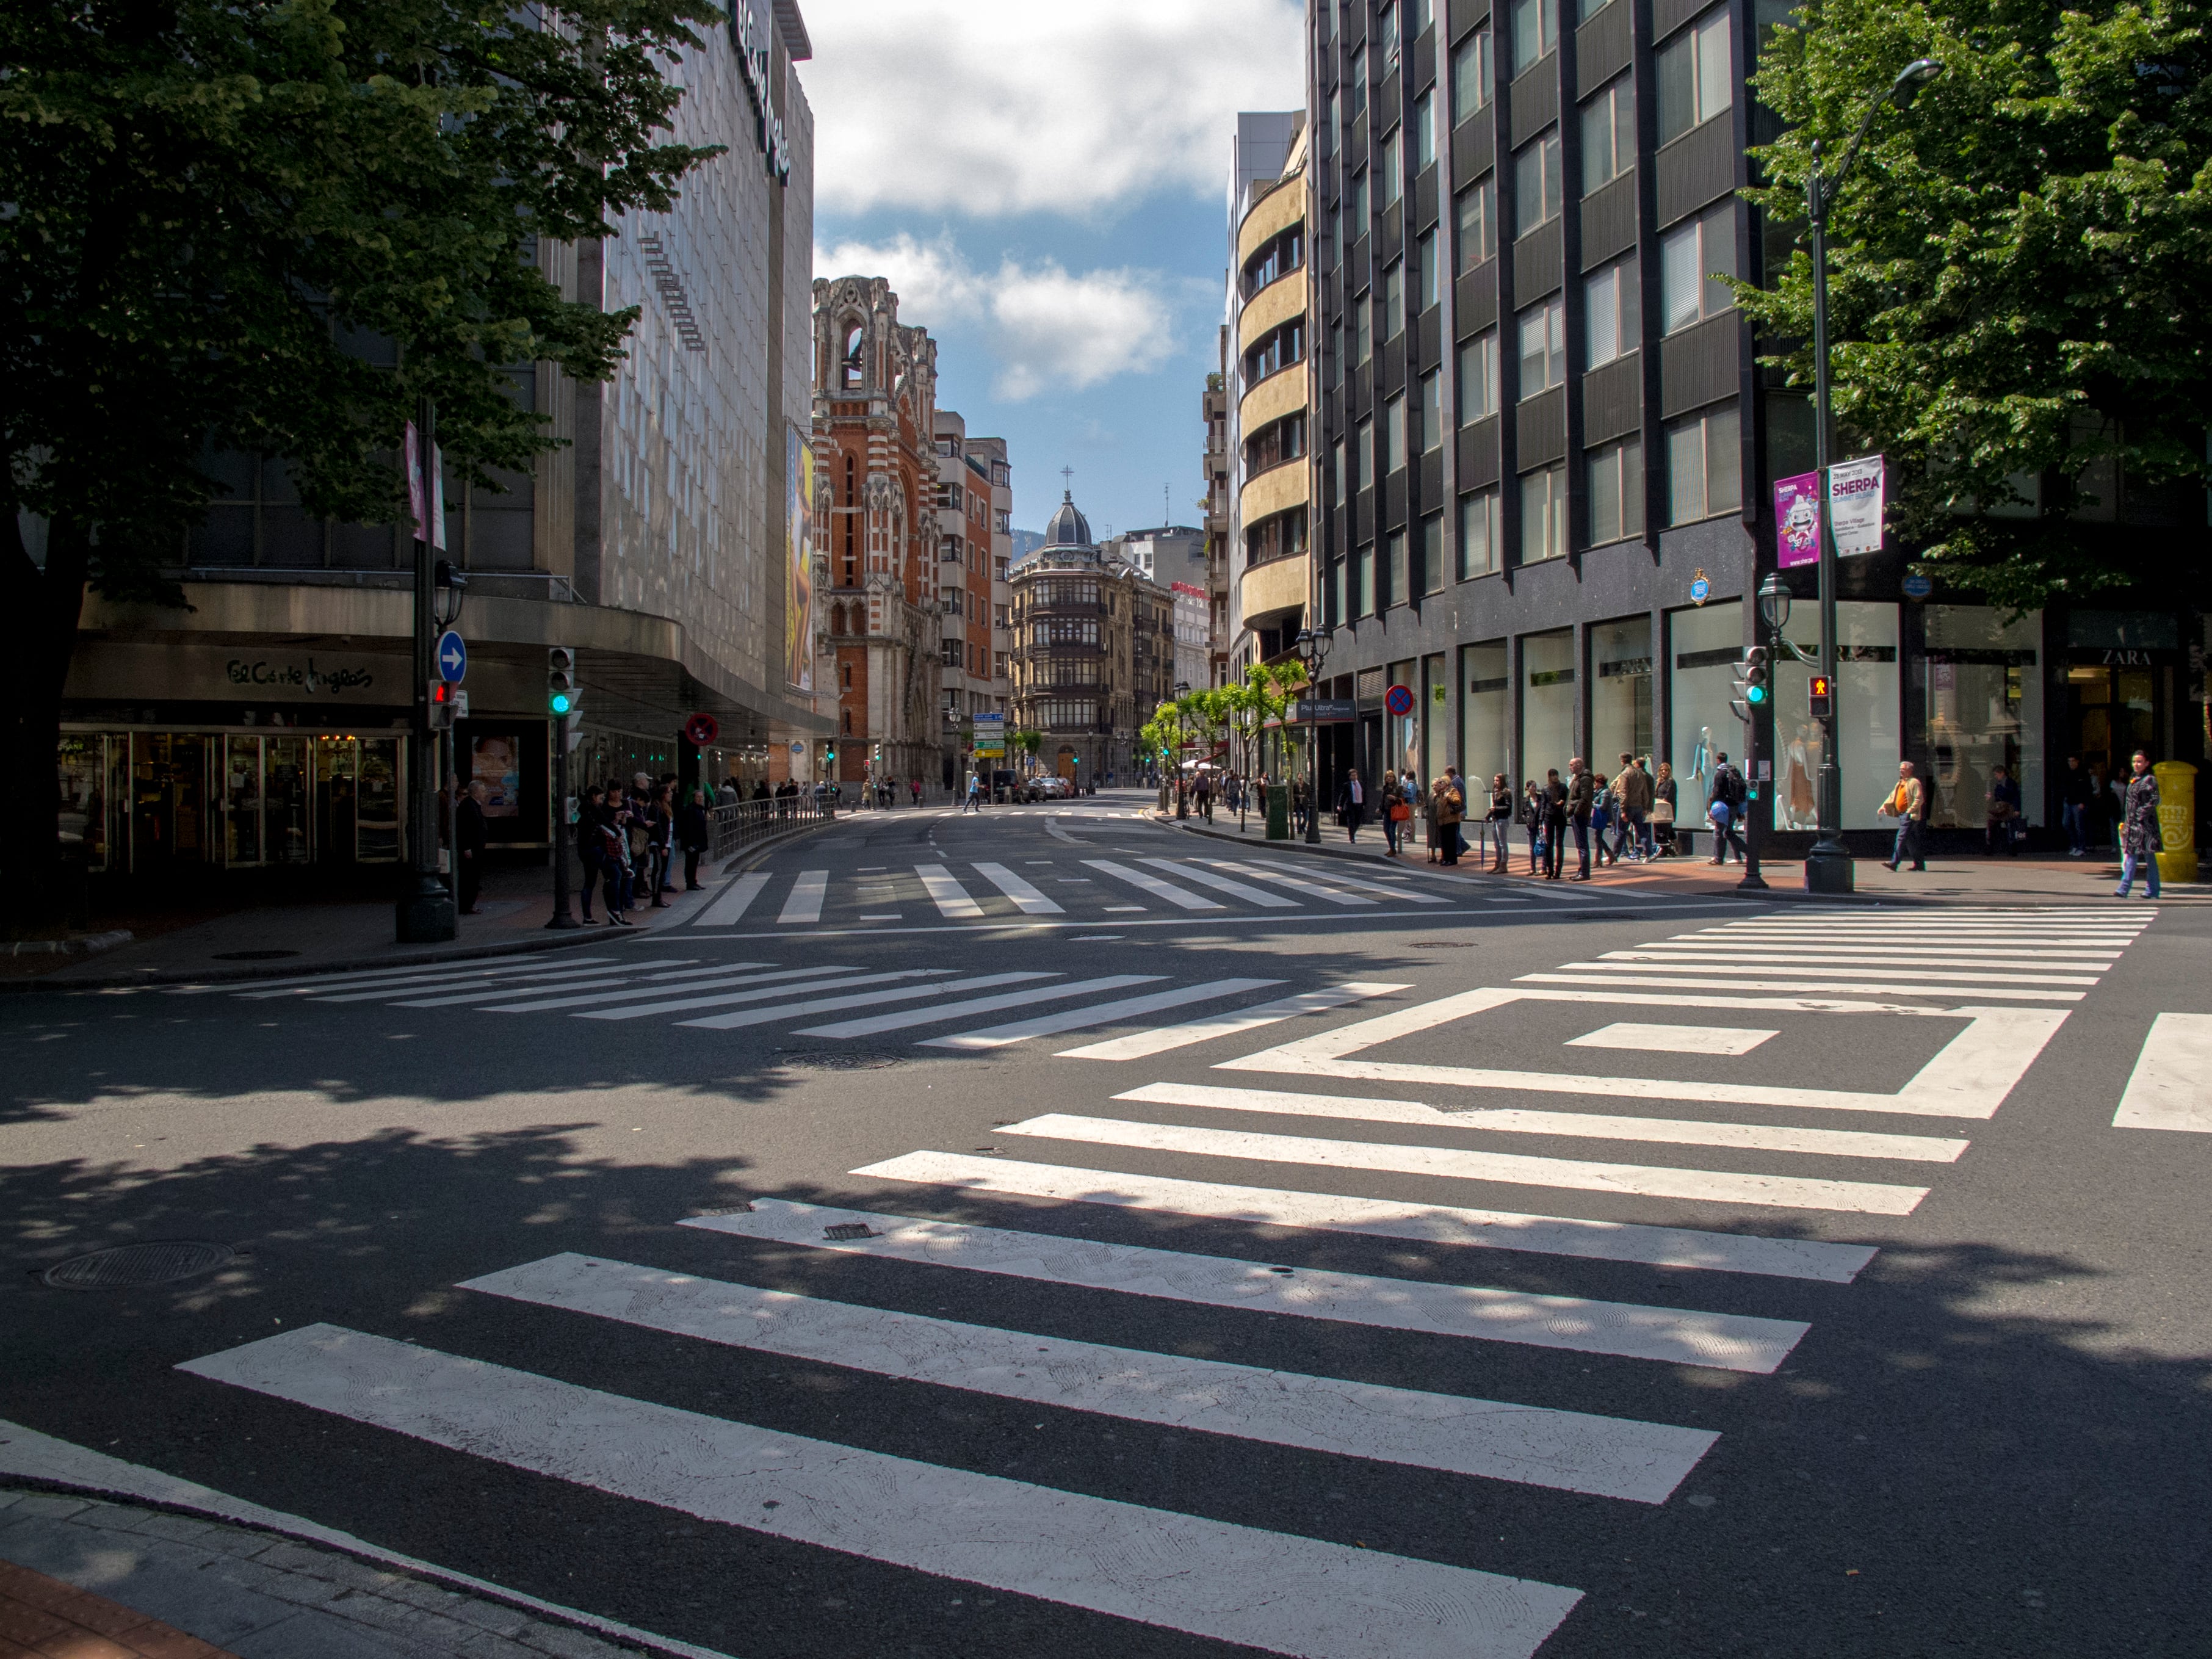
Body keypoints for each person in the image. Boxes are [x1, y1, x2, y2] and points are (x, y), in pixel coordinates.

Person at [2116, 750, 2162, 898]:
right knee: (2131, 856)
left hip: (2147, 826)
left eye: (2140, 762)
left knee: (2149, 859)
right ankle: (2126, 888)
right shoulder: (2133, 778)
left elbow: (2155, 800)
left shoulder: (2150, 780)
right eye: (2134, 761)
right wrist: (2127, 821)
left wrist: (2139, 814)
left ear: (2147, 763)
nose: (2136, 764)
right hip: (2133, 826)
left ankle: (2151, 890)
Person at [1878, 759, 1926, 872]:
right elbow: (1892, 797)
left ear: (1910, 770)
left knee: (1901, 838)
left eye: (1904, 769)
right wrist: (1883, 806)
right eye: (1900, 769)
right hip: (1902, 814)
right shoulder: (1901, 783)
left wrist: (1910, 811)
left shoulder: (1914, 783)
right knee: (1910, 840)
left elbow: (1919, 799)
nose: (1901, 771)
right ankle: (1919, 864)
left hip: (1909, 816)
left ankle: (1894, 862)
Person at [1707, 751, 1748, 865]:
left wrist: (1711, 808)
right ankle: (1742, 855)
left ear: (1718, 760)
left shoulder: (1720, 774)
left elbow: (1717, 793)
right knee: (1728, 832)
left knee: (1719, 832)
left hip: (1723, 807)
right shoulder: (1734, 771)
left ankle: (1718, 859)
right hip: (1735, 806)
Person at [454, 780, 488, 914]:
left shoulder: (475, 805)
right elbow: (464, 829)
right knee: (469, 877)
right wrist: (466, 848)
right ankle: (466, 905)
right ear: (475, 792)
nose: (485, 793)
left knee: (474, 877)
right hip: (471, 849)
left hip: (477, 848)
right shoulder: (468, 806)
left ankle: (470, 904)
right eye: (483, 790)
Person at [1616, 752, 1653, 862]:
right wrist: (1645, 807)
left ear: (1622, 761)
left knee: (1622, 831)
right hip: (1639, 807)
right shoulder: (1640, 774)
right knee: (1642, 831)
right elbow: (1645, 793)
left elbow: (1623, 793)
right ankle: (1650, 853)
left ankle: (1615, 855)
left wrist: (1622, 809)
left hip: (1629, 807)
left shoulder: (1625, 774)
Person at [678, 785, 712, 891]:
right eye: (698, 797)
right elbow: (688, 828)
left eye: (702, 797)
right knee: (690, 862)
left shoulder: (700, 810)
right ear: (694, 798)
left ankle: (693, 881)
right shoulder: (691, 810)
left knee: (694, 862)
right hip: (692, 843)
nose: (700, 799)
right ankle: (690, 883)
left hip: (697, 842)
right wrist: (691, 843)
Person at [1566, 757, 1595, 880]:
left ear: (1579, 765)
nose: (1570, 767)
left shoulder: (1585, 779)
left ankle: (1584, 872)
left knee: (1582, 844)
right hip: (1576, 814)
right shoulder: (1577, 779)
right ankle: (1582, 869)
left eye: (1571, 765)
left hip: (1580, 816)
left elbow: (1585, 798)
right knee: (1580, 844)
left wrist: (1576, 812)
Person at [1985, 764, 2022, 856]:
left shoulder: (2010, 783)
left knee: (2010, 827)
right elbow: (1993, 794)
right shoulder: (1995, 783)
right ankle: (1990, 847)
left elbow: (2016, 796)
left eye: (1997, 774)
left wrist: (2017, 809)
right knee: (1991, 826)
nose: (1996, 776)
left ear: (2002, 773)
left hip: (2007, 807)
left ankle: (2012, 849)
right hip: (1997, 808)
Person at [1431, 769, 1464, 866]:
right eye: (1439, 783)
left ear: (1447, 783)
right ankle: (1445, 858)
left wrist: (1448, 796)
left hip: (1451, 820)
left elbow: (1457, 800)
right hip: (1442, 820)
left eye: (1442, 782)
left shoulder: (1452, 790)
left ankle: (1452, 859)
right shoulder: (1440, 793)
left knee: (1451, 841)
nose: (1440, 784)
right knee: (1444, 841)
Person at [2060, 754, 2091, 856]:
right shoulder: (2067, 773)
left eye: (2073, 761)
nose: (2071, 763)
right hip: (2068, 802)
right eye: (2069, 761)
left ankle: (2082, 847)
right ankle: (2074, 845)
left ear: (2077, 761)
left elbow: (2087, 789)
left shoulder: (2083, 773)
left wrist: (2083, 802)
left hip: (2078, 803)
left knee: (2079, 826)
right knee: (2066, 823)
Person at [1542, 768, 1569, 879]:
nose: (1555, 777)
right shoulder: (1546, 789)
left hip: (1561, 816)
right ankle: (1550, 870)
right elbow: (1543, 804)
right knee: (1549, 844)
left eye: (1556, 775)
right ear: (1549, 777)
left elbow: (1567, 800)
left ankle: (1558, 871)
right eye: (1552, 775)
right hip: (1549, 816)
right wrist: (1541, 820)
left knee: (1559, 844)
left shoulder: (1563, 787)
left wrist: (1562, 802)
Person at [1484, 773, 1513, 872]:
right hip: (1495, 819)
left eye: (1497, 781)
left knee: (1502, 843)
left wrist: (1495, 809)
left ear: (1502, 781)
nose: (1495, 783)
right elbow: (1494, 806)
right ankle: (1498, 863)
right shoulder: (1495, 792)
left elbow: (1508, 808)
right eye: (1494, 781)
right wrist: (1488, 816)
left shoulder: (1506, 792)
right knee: (1496, 844)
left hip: (1502, 819)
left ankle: (1503, 865)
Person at [1652, 760, 1679, 858]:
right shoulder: (1659, 782)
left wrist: (1662, 802)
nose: (1664, 772)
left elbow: (1669, 795)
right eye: (1662, 770)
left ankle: (1666, 848)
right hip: (1658, 807)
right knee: (1659, 828)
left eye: (1666, 770)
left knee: (1665, 828)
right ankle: (1666, 848)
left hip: (1666, 808)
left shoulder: (1671, 782)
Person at [1520, 779, 1545, 874]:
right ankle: (1532, 868)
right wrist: (1527, 820)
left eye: (1535, 787)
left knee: (1543, 846)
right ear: (1528, 788)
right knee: (1532, 847)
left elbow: (1543, 810)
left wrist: (1541, 823)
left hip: (1540, 825)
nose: (1534, 789)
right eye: (1532, 787)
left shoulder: (1540, 798)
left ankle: (1543, 867)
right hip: (1531, 826)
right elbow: (1522, 813)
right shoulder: (1525, 800)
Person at [1339, 768, 1367, 843]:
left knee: (1358, 821)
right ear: (1350, 777)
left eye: (1355, 775)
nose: (1354, 777)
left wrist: (1364, 804)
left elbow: (1364, 794)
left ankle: (1352, 833)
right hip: (1350, 805)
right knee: (1351, 821)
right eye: (1353, 775)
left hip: (1359, 805)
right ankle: (1352, 837)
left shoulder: (1361, 784)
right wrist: (1340, 805)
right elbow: (1343, 795)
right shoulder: (1347, 785)